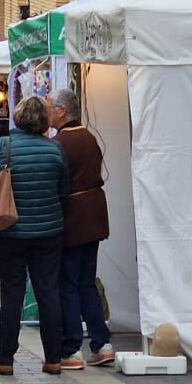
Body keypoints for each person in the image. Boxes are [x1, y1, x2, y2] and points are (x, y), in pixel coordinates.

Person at [0, 96, 68, 376]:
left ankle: (6, 359)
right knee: (48, 291)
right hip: (49, 230)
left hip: (10, 230)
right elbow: (63, 191)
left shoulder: (1, 147)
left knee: (11, 293)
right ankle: (53, 358)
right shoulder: (56, 150)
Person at [52, 88, 115, 368]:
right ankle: (101, 343)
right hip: (94, 215)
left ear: (62, 111)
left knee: (68, 284)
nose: (47, 112)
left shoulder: (61, 143)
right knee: (86, 281)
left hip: (73, 218)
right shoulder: (89, 137)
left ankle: (71, 348)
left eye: (50, 106)